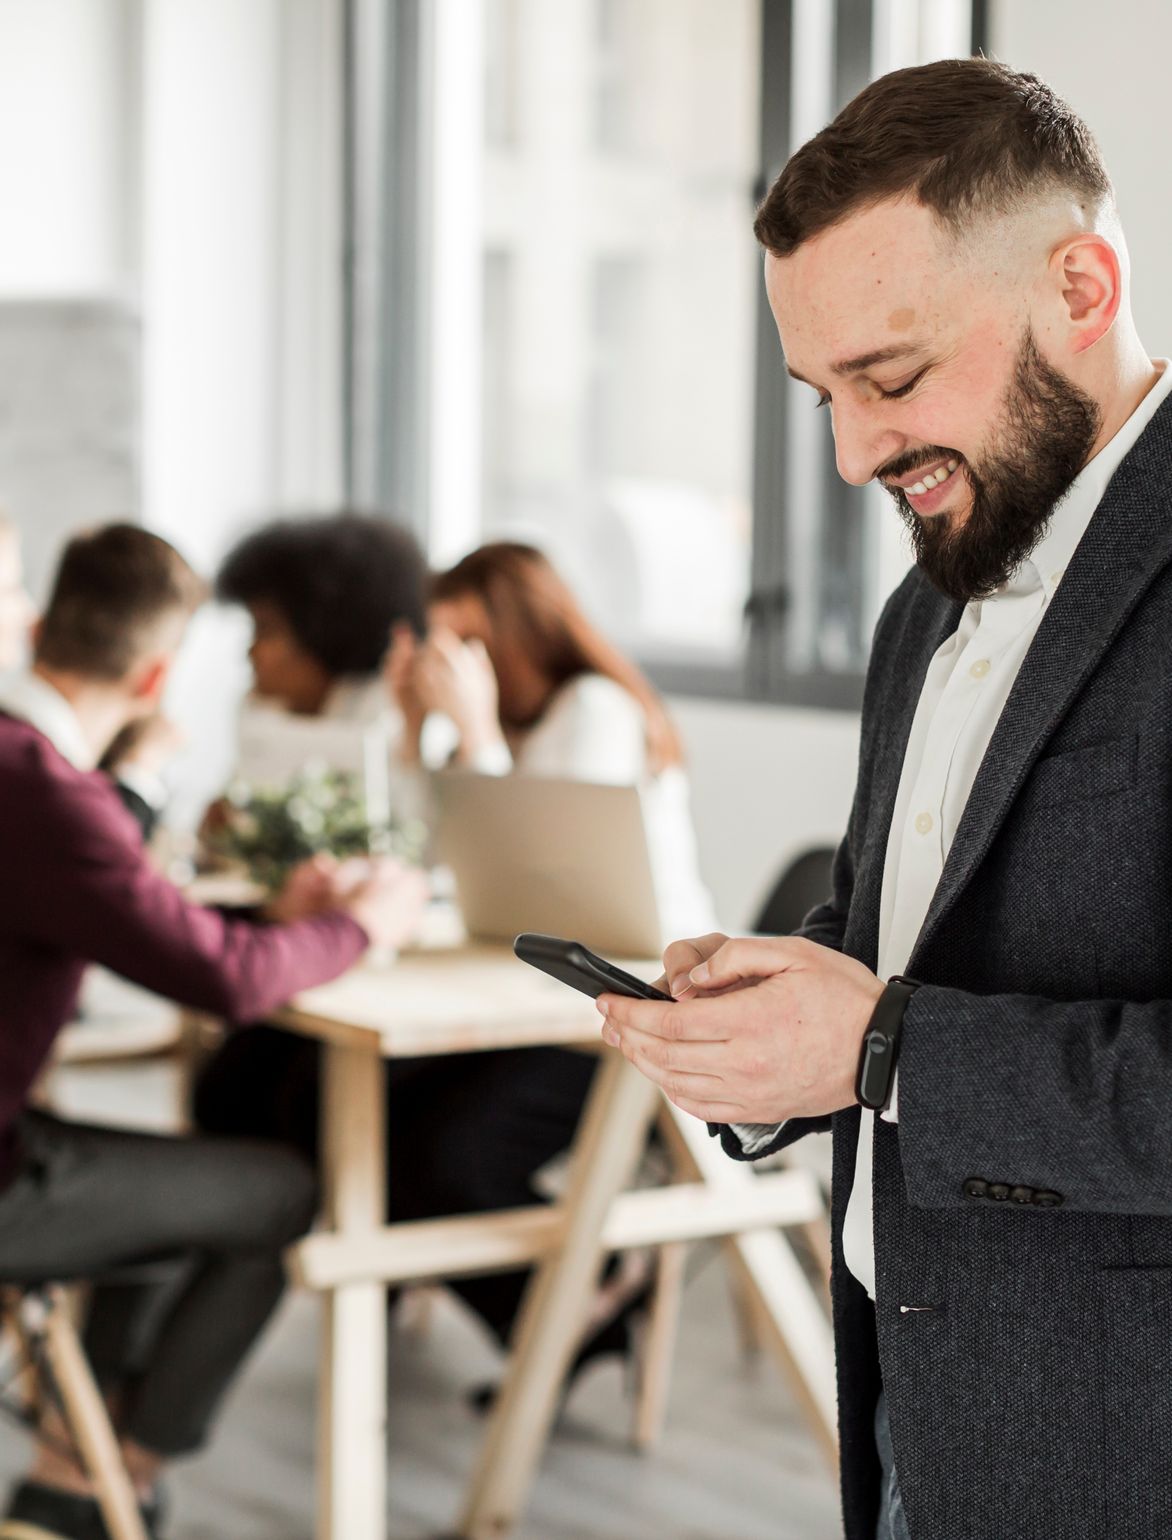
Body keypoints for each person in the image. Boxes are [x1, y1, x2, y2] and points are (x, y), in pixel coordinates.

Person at [595, 57, 1172, 1540]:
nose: (852, 452)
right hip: (920, 1410)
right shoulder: (927, 607)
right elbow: (902, 946)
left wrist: (882, 1048)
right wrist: (774, 1023)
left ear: (1084, 288)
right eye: (821, 394)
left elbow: (904, 1033)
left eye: (894, 378)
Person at [0, 523, 425, 1540]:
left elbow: (127, 918)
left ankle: (78, 1456)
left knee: (172, 1180)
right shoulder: (44, 791)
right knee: (281, 1190)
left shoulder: (34, 779)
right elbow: (227, 981)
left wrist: (281, 923)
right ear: (156, 675)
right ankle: (112, 1471)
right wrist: (360, 924)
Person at [199, 541, 715, 1374]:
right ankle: (508, 1304)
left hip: (616, 1009)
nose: (451, 665)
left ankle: (577, 1308)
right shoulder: (501, 729)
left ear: (517, 633)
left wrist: (471, 733)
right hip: (519, 998)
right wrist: (413, 734)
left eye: (465, 642)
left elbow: (543, 872)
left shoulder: (593, 712)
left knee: (439, 1156)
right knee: (315, 1095)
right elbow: (434, 861)